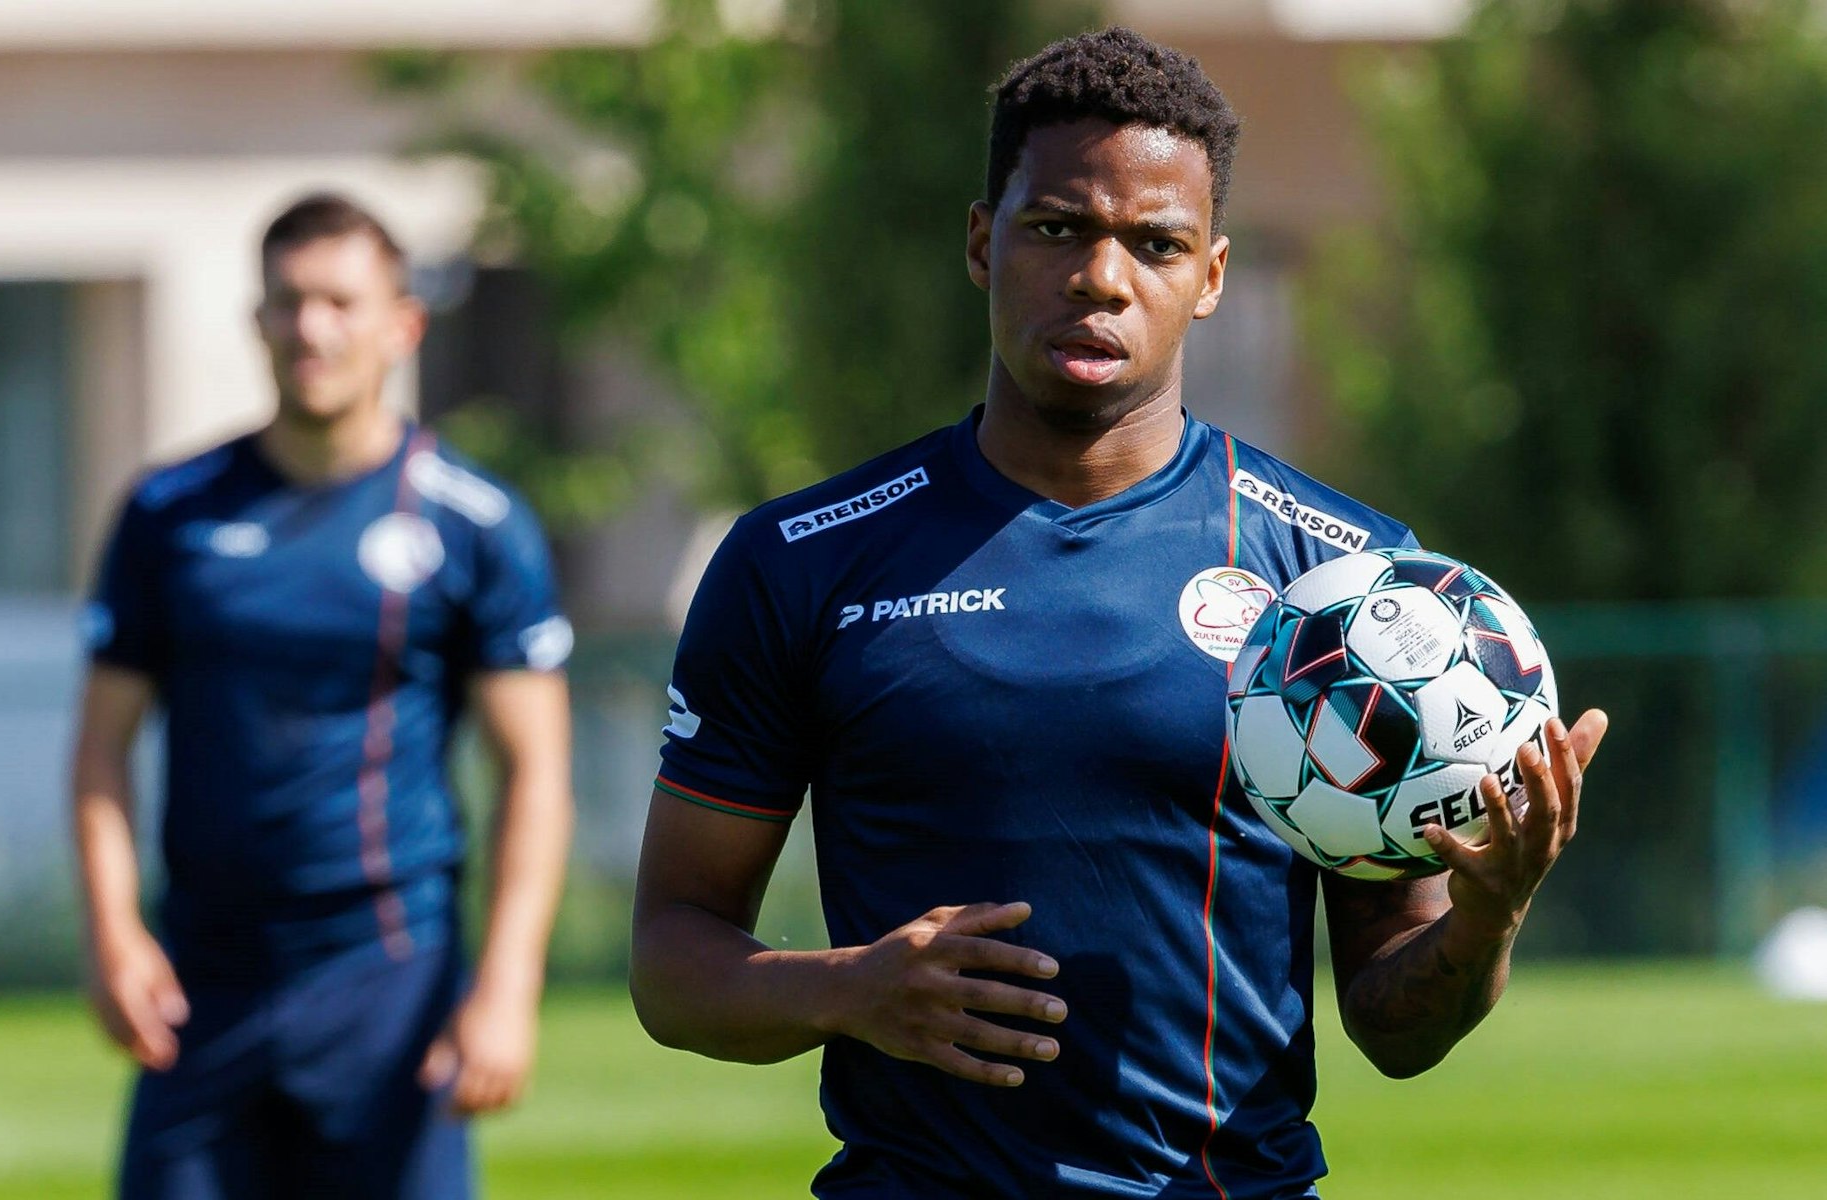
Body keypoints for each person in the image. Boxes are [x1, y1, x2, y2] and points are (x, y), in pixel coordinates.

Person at [631, 28, 1607, 1200]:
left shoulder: (1341, 593)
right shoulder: (802, 561)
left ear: (1211, 277)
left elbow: (1394, 1023)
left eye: (1155, 243)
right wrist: (846, 988)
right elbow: (674, 958)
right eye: (1057, 228)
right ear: (983, 240)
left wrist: (1482, 923)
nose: (1101, 277)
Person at [71, 193, 575, 1199]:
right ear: (257, 320)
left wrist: (507, 986)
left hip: (387, 972)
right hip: (205, 978)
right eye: (288, 302)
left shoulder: (475, 522)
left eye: (341, 302)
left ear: (402, 324)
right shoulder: (168, 514)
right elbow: (100, 752)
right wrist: (113, 932)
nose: (312, 328)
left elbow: (536, 774)